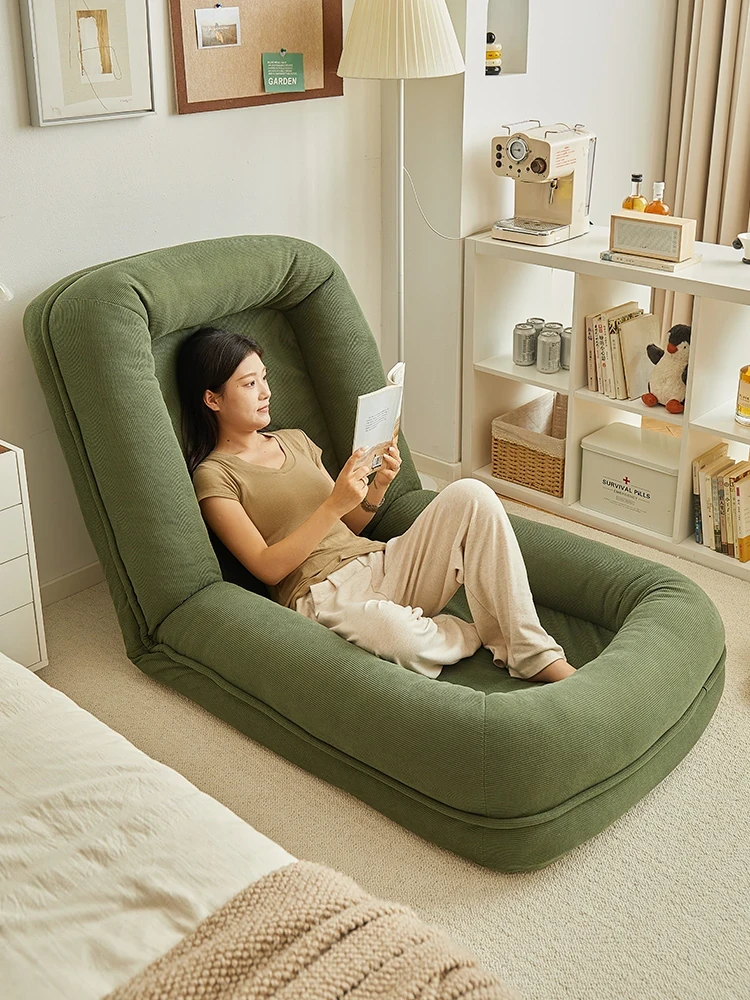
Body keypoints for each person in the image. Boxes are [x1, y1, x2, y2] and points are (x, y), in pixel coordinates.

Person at [177, 328, 576, 683]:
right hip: (324, 595)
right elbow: (266, 567)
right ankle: (466, 632)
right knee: (401, 639)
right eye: (249, 384)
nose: (265, 392)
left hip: (381, 563)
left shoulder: (295, 439)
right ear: (213, 399)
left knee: (472, 494)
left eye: (264, 378)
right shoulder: (215, 476)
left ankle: (533, 654)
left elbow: (348, 527)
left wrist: (376, 488)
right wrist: (332, 505)